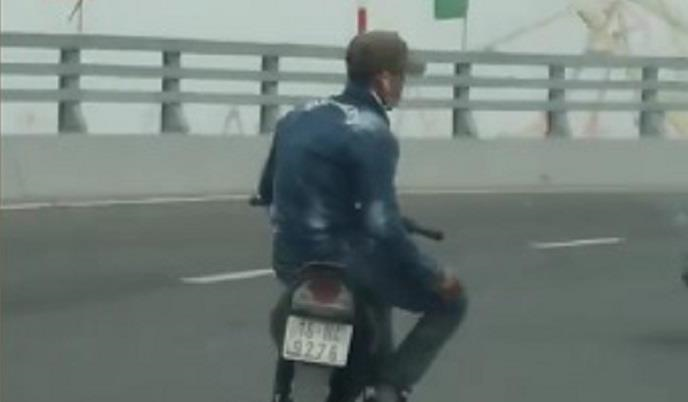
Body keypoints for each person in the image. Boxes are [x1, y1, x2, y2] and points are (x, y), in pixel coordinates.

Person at [256, 30, 467, 402]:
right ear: (384, 79)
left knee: (357, 286)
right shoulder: (372, 132)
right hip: (353, 267)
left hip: (292, 262)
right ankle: (388, 387)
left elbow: (266, 190)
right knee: (452, 301)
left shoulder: (298, 115)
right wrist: (433, 274)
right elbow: (381, 225)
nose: (402, 86)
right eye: (401, 77)